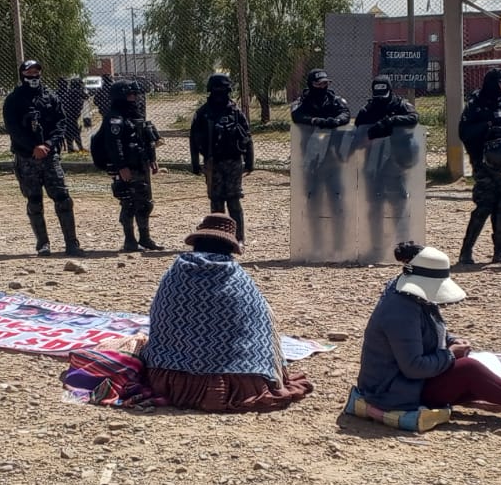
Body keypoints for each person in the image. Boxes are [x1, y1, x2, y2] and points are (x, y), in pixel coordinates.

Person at [357, 243, 501, 418]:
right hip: (391, 391)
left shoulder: (411, 297)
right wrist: (451, 355)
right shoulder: (401, 311)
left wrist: (451, 340)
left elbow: (430, 331)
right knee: (468, 370)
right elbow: (414, 367)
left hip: (405, 383)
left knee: (474, 381)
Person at [139, 213, 313, 413]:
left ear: (197, 242)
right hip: (240, 377)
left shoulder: (175, 274)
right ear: (230, 247)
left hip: (169, 376)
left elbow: (159, 318)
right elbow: (262, 324)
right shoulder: (238, 280)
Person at [4, 58, 83, 257]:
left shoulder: (50, 97)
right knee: (34, 200)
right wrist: (33, 146)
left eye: (36, 72)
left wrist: (48, 145)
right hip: (26, 157)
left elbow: (61, 123)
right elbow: (13, 129)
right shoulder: (14, 99)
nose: (33, 76)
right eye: (29, 73)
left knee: (63, 198)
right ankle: (42, 244)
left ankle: (71, 243)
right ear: (23, 74)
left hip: (49, 156)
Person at [456, 68, 501, 266]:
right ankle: (466, 251)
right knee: (484, 205)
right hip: (483, 164)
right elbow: (464, 133)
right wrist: (487, 126)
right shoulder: (476, 105)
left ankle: (500, 251)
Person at [355, 74, 419, 254]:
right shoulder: (367, 109)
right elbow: (359, 135)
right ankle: (376, 246)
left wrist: (390, 122)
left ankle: (404, 245)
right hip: (373, 162)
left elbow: (414, 118)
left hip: (395, 161)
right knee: (374, 204)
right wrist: (369, 135)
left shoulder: (400, 105)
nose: (380, 101)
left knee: (398, 202)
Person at [291, 68, 352, 254]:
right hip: (311, 159)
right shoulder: (303, 101)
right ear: (311, 85)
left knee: (337, 199)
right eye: (319, 84)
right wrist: (315, 120)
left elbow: (345, 114)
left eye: (326, 83)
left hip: (333, 158)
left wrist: (333, 121)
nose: (323, 87)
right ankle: (315, 243)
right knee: (313, 200)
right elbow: (297, 115)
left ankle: (340, 243)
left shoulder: (335, 100)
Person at [189, 74, 254, 243]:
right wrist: (195, 164)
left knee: (234, 201)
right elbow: (194, 140)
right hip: (213, 163)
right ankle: (218, 238)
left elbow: (247, 137)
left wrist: (249, 161)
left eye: (223, 90)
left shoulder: (235, 111)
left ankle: (238, 238)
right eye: (217, 89)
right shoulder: (203, 113)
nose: (220, 93)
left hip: (234, 161)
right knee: (216, 202)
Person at [103, 81, 162, 253]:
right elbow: (114, 145)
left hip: (141, 164)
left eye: (135, 95)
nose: (134, 98)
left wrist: (152, 159)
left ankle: (145, 238)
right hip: (126, 167)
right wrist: (121, 166)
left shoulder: (136, 115)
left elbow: (146, 139)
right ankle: (130, 240)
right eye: (130, 95)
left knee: (145, 203)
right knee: (129, 203)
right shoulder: (114, 118)